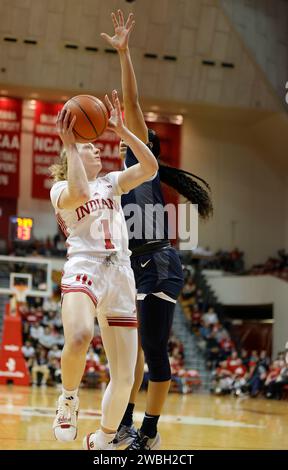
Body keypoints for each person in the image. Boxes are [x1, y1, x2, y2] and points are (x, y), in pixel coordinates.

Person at [101, 11, 213, 450]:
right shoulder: (126, 177)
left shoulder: (140, 163)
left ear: (146, 143)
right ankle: (126, 424)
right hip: (136, 266)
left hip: (159, 263)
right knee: (133, 354)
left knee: (152, 347)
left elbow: (131, 104)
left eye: (136, 133)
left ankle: (148, 430)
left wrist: (124, 53)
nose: (125, 134)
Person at [49, 90, 158, 450]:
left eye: (95, 145)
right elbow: (80, 191)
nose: (96, 148)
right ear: (72, 153)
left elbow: (150, 168)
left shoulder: (112, 182)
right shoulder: (61, 188)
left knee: (126, 376)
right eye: (87, 145)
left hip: (120, 273)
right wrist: (70, 142)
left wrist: (123, 131)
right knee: (79, 335)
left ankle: (103, 439)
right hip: (85, 267)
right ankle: (68, 399)